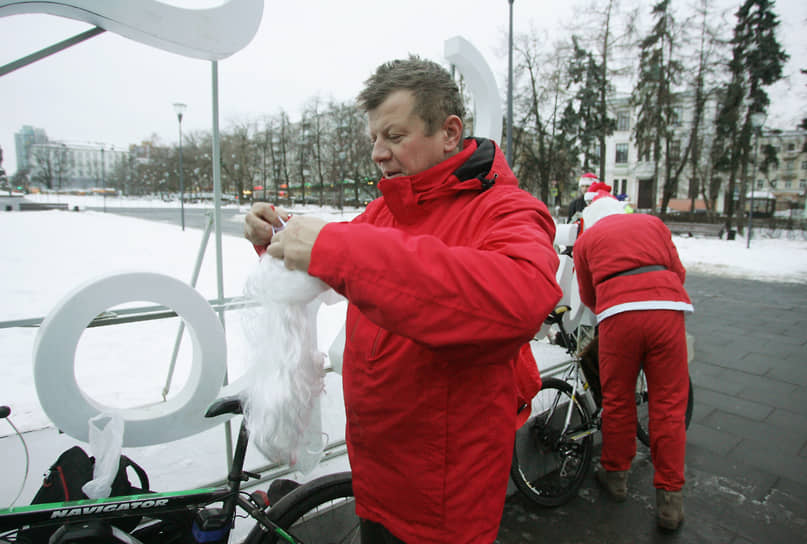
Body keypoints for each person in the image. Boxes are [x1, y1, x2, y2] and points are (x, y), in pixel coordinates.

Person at [243, 56, 562, 543]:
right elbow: (346, 262)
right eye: (373, 138)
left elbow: (519, 298)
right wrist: (279, 237)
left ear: (449, 132)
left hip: (443, 501)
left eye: (394, 136)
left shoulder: (507, 209)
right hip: (377, 478)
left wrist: (335, 248)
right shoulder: (385, 211)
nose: (378, 152)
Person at [572, 193, 693, 531]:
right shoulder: (653, 224)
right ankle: (670, 501)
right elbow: (678, 271)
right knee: (669, 405)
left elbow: (588, 296)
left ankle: (616, 476)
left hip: (618, 317)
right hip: (667, 311)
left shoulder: (587, 241)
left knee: (618, 400)